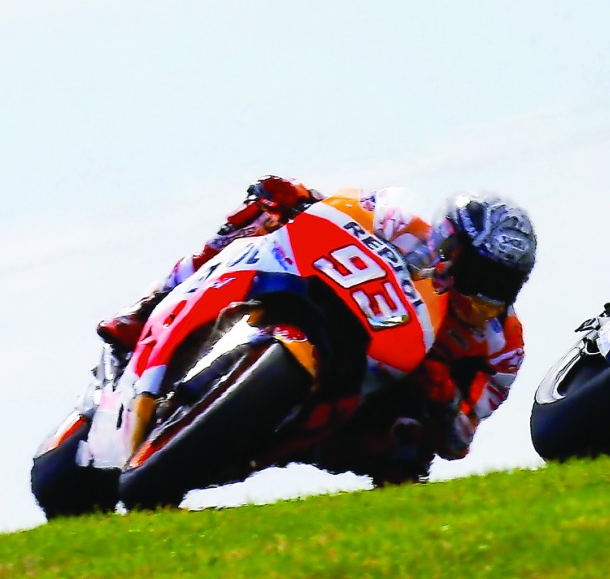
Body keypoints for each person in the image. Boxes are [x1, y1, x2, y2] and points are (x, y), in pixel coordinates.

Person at [97, 177, 536, 484]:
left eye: (503, 282)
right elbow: (345, 214)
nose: (486, 294)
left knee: (408, 446)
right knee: (264, 212)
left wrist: (443, 396)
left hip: (368, 403)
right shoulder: (406, 229)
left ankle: (383, 522)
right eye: (480, 272)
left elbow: (462, 439)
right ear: (449, 244)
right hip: (338, 307)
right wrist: (301, 197)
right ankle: (149, 306)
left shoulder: (504, 347)